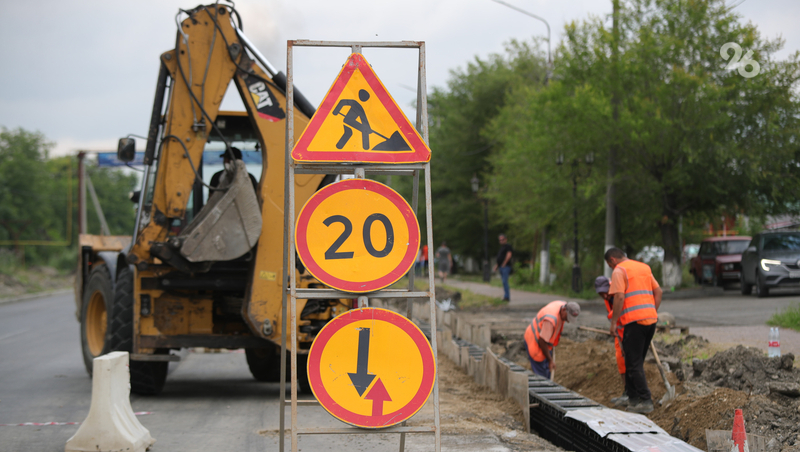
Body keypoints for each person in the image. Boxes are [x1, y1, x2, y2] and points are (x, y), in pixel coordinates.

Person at [605, 247, 663, 414]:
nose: (611, 268)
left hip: (634, 323)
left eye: (609, 265)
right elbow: (658, 291)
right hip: (650, 321)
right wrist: (652, 310)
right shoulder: (643, 267)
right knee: (633, 362)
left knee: (633, 363)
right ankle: (633, 399)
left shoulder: (619, 270)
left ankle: (646, 401)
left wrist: (614, 322)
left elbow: (619, 296)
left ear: (612, 260)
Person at [523, 300, 581, 379]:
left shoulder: (562, 305)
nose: (567, 321)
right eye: (567, 317)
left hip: (543, 340)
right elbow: (542, 341)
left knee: (547, 374)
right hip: (535, 343)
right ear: (564, 310)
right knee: (541, 378)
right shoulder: (550, 321)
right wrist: (550, 360)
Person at [595, 275, 628, 407]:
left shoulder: (618, 294)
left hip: (628, 332)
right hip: (618, 334)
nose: (604, 295)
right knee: (620, 361)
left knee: (631, 361)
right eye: (601, 293)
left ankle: (634, 393)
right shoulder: (607, 297)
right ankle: (627, 392)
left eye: (605, 291)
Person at [492, 234, 513, 302]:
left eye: (502, 239)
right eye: (500, 240)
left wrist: (504, 263)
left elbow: (509, 255)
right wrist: (497, 266)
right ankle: (505, 296)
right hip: (501, 267)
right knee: (503, 282)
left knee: (505, 281)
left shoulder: (508, 246)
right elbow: (500, 258)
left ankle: (506, 296)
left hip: (506, 267)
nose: (501, 241)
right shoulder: (502, 248)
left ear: (505, 239)